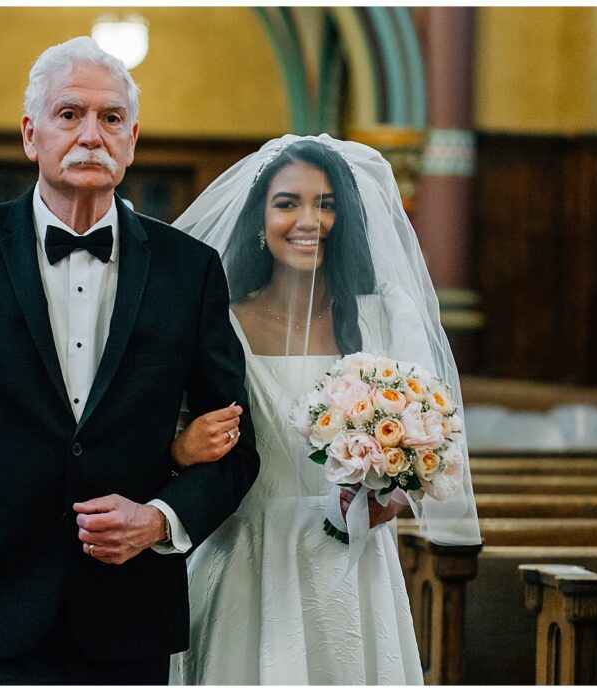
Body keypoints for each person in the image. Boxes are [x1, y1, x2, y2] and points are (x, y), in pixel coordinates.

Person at [0, 36, 259, 686]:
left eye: (111, 118)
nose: (91, 136)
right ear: (30, 133)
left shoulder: (191, 271)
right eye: (70, 114)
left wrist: (160, 520)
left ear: (132, 140)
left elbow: (238, 448)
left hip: (131, 608)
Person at [168, 135, 481, 684]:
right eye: (287, 202)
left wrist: (396, 491)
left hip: (351, 559)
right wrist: (181, 445)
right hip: (244, 547)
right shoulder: (221, 317)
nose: (307, 219)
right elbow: (170, 426)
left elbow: (433, 437)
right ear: (260, 219)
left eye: (326, 203)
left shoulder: (383, 314)